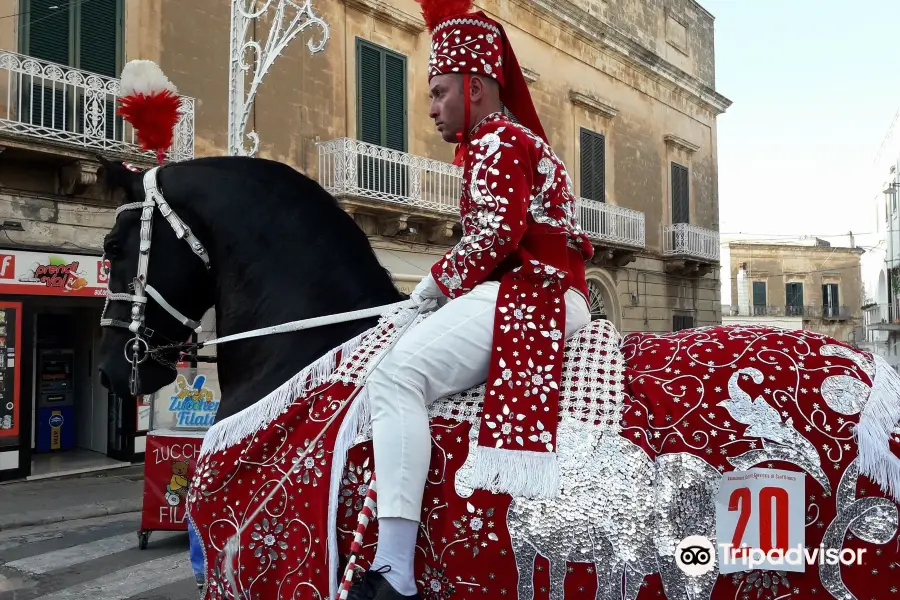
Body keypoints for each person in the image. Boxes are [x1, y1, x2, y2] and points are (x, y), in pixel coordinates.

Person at [348, 1, 595, 598]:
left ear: (475, 87)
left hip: (531, 294)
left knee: (394, 379)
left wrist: (430, 289)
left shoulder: (497, 141)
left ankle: (396, 570)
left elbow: (495, 235)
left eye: (438, 93)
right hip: (546, 291)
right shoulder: (510, 140)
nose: (430, 108)